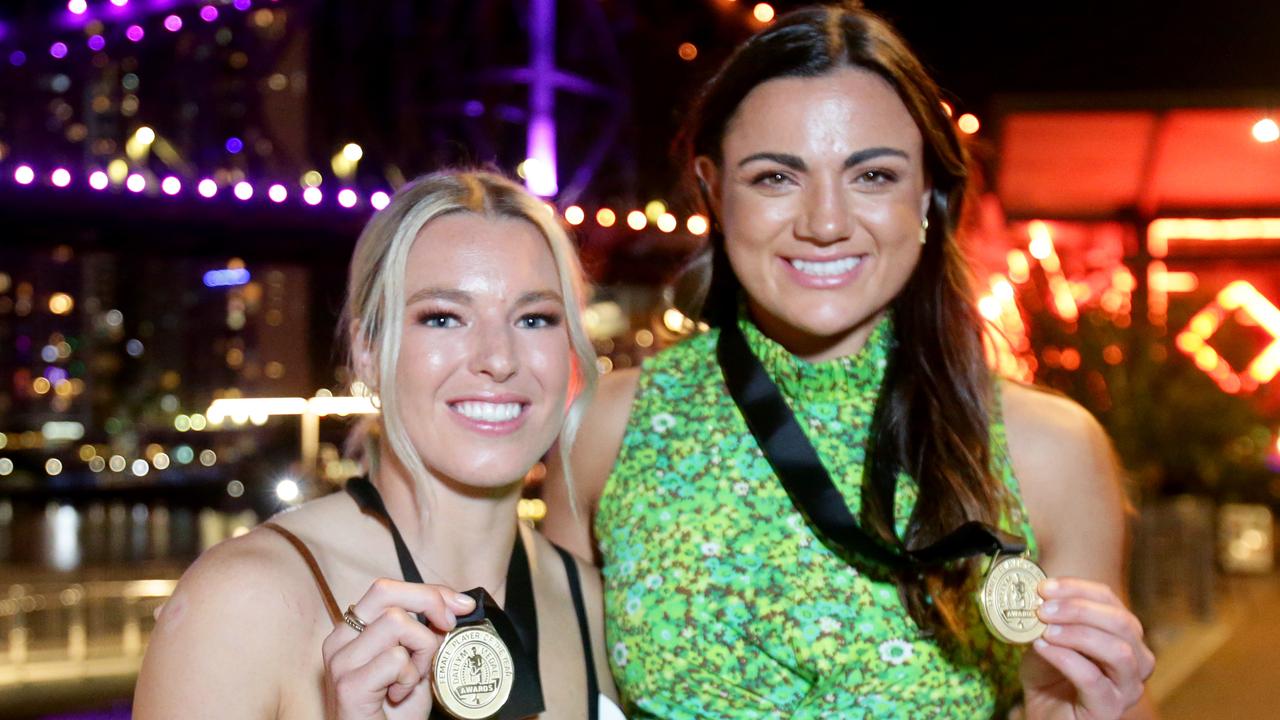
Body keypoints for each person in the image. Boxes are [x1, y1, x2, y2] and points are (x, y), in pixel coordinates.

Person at [543, 4, 1155, 719]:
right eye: (775, 177)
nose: (826, 223)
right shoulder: (608, 428)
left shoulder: (1050, 448)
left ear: (927, 193)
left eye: (872, 176)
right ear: (713, 189)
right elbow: (562, 700)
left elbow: (1098, 704)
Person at [135, 169, 619, 719]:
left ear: (572, 351)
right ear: (367, 353)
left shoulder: (599, 608)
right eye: (443, 317)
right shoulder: (244, 603)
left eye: (535, 318)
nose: (500, 357)